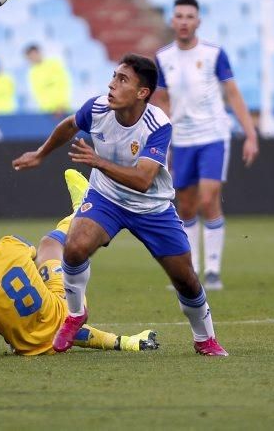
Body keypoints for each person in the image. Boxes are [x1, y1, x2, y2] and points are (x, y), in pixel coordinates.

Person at [12, 53, 228, 357]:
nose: (112, 84)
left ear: (142, 93)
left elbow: (142, 180)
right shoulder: (97, 108)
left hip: (152, 208)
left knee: (186, 278)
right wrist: (41, 153)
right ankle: (75, 314)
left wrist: (98, 161)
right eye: (114, 76)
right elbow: (69, 125)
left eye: (122, 80)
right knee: (74, 246)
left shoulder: (158, 125)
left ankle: (204, 338)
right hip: (107, 198)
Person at [0, 170, 158, 358]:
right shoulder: (11, 243)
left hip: (32, 347)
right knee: (50, 243)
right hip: (63, 314)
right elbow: (32, 255)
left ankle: (82, 208)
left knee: (32, 292)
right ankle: (81, 208)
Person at [151, 0, 259, 291]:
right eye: (179, 16)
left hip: (213, 135)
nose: (184, 21)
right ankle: (191, 272)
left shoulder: (214, 54)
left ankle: (212, 270)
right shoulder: (163, 58)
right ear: (172, 21)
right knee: (185, 207)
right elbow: (161, 99)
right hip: (182, 140)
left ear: (198, 21)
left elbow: (233, 94)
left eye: (189, 16)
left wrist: (250, 133)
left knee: (209, 199)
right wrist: (165, 136)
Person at [25, 44, 71, 114]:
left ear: (39, 52)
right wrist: (46, 108)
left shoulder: (54, 64)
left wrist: (61, 104)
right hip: (46, 112)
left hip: (63, 109)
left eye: (33, 55)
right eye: (30, 57)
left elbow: (63, 84)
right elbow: (37, 93)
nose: (32, 58)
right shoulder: (32, 73)